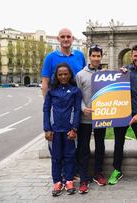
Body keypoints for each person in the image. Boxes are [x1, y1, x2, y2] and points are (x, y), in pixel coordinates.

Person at [108, 45, 137, 185]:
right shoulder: (124, 71)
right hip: (122, 113)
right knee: (118, 143)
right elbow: (112, 86)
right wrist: (117, 73)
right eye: (136, 56)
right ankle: (117, 170)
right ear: (132, 56)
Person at [43, 63, 81, 196]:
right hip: (54, 131)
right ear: (56, 76)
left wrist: (74, 128)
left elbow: (77, 110)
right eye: (60, 74)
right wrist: (47, 128)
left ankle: (69, 180)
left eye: (66, 74)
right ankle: (57, 182)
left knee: (70, 157)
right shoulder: (51, 91)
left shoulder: (75, 91)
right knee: (56, 157)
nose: (63, 76)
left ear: (70, 75)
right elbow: (46, 109)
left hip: (69, 131)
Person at [75, 45, 106, 194]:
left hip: (101, 118)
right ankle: (84, 178)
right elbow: (77, 96)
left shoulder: (105, 73)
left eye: (98, 56)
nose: (95, 58)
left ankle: (98, 173)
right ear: (89, 57)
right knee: (83, 149)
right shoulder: (80, 75)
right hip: (85, 118)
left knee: (100, 146)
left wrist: (123, 71)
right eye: (93, 56)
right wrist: (82, 108)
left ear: (101, 57)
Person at [41, 28, 86, 96]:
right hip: (58, 101)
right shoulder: (50, 57)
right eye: (62, 37)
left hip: (77, 99)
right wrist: (47, 103)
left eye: (68, 36)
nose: (66, 39)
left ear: (72, 39)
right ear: (58, 39)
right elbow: (45, 82)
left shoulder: (80, 55)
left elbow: (85, 77)